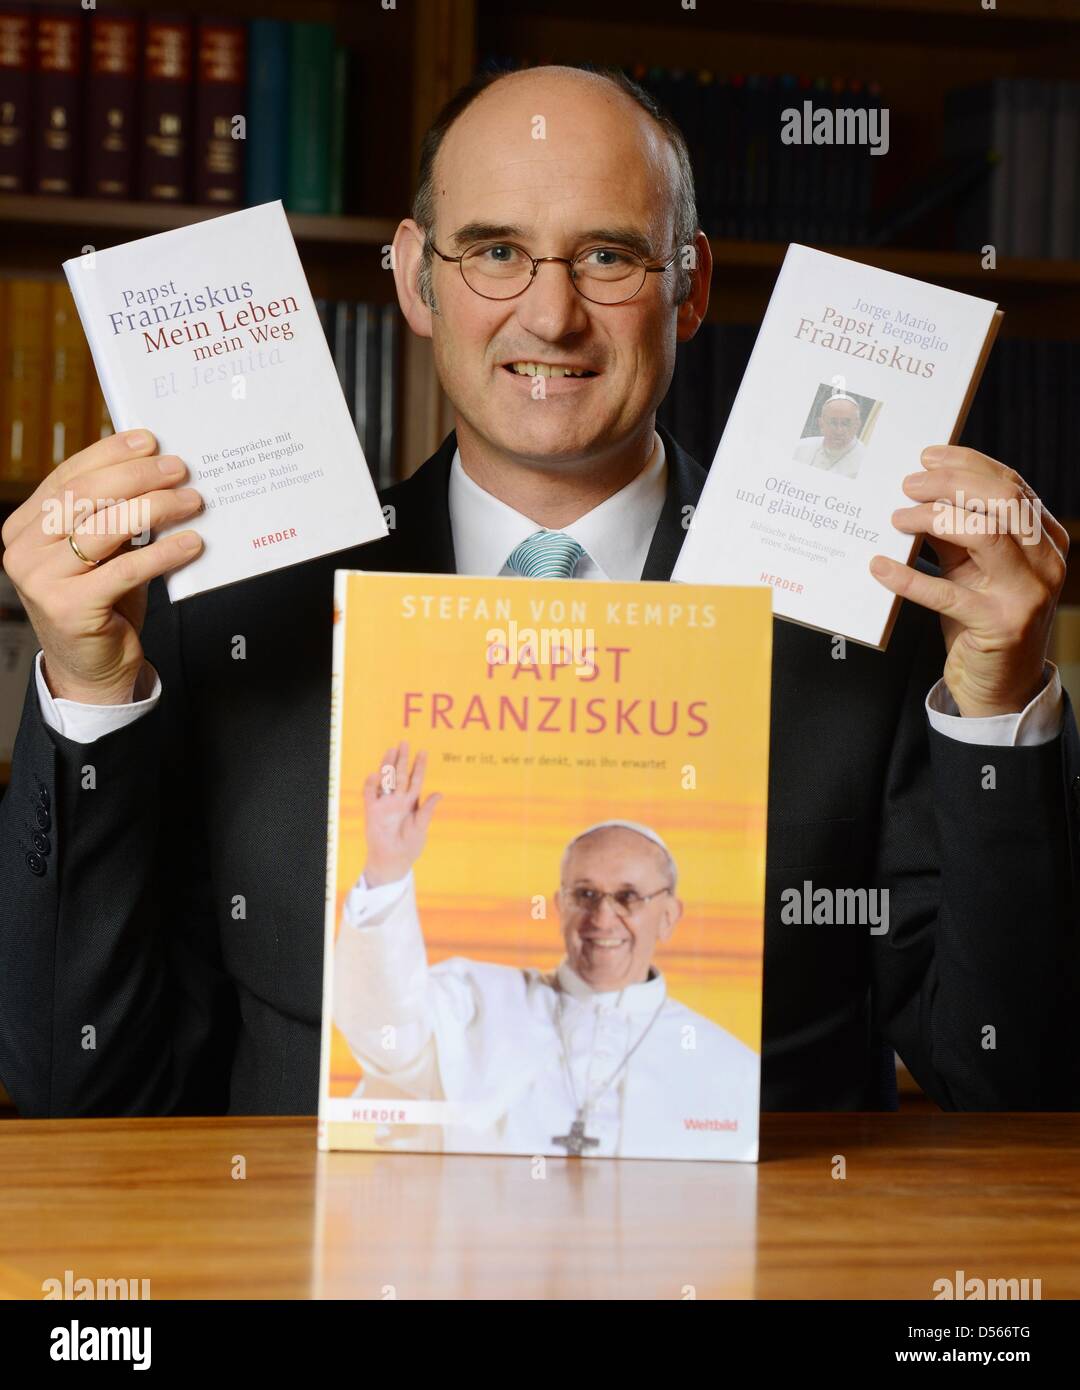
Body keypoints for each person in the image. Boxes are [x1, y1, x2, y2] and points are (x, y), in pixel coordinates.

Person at [1, 65, 1077, 1119]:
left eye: (608, 255)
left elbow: (1008, 1080)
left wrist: (1000, 708)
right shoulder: (231, 607)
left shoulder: (867, 607)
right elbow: (79, 1082)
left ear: (690, 285)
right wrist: (90, 695)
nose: (552, 317)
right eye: (496, 252)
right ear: (418, 277)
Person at [332, 744, 759, 1159]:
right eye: (585, 894)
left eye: (628, 897)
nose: (603, 918)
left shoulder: (731, 1069)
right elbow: (384, 1031)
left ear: (668, 916)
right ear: (559, 908)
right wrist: (387, 871)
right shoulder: (475, 1003)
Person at [793, 394, 867, 478]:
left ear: (857, 425)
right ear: (821, 424)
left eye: (846, 424)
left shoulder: (864, 461)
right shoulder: (800, 447)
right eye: (833, 423)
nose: (839, 431)